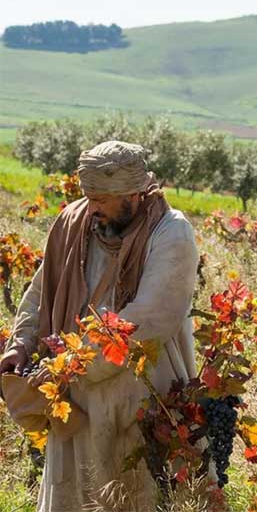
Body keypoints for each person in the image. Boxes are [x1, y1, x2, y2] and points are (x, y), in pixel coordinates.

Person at [0, 141, 198, 512]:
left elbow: (149, 319)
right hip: (75, 403)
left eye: (103, 199)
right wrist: (21, 343)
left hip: (140, 398)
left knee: (138, 495)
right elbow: (42, 290)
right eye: (88, 197)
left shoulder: (172, 234)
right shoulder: (75, 223)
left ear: (133, 194)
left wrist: (73, 363)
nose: (92, 208)